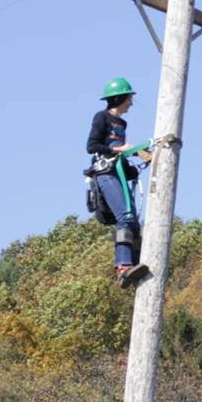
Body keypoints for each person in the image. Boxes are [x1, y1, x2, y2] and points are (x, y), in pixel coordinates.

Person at [85, 77, 151, 287]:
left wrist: (132, 162)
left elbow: (119, 155)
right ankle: (123, 267)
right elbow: (92, 146)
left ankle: (137, 263)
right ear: (120, 98)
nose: (131, 103)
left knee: (132, 221)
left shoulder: (122, 123)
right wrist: (117, 150)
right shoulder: (101, 118)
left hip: (117, 171)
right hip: (105, 174)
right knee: (124, 217)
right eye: (129, 98)